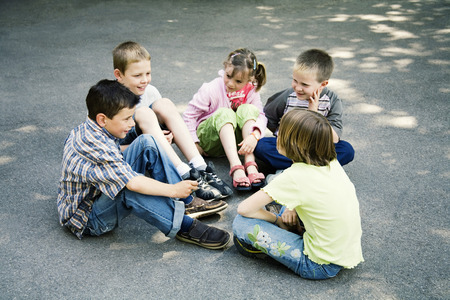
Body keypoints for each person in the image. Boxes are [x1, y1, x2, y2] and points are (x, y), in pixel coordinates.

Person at [57, 79, 230, 250]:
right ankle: (184, 226)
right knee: (129, 188)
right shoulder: (94, 145)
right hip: (88, 217)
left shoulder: (93, 127)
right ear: (103, 119)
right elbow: (133, 182)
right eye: (126, 119)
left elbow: (115, 152)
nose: (132, 124)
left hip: (97, 190)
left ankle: (186, 202)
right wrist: (173, 189)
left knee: (146, 141)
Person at [233, 109, 364, 279]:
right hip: (346, 251)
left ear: (292, 143)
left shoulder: (294, 176)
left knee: (241, 224)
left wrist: (278, 220)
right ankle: (292, 225)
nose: (276, 136)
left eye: (281, 133)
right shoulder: (331, 162)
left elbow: (244, 209)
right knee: (281, 199)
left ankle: (281, 231)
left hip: (318, 265)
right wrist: (291, 208)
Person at [112, 41, 232, 200]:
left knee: (164, 103)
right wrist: (154, 142)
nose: (144, 80)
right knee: (145, 113)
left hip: (147, 135)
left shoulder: (150, 91)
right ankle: (184, 174)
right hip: (129, 152)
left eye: (147, 73)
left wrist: (165, 137)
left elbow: (164, 128)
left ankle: (200, 167)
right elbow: (106, 150)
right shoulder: (108, 100)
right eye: (137, 76)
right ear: (119, 75)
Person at [254, 49, 355, 171]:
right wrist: (282, 132)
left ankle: (295, 169)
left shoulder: (332, 100)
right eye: (295, 81)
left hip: (315, 149)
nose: (297, 88)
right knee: (261, 146)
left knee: (347, 150)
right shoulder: (288, 96)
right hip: (288, 147)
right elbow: (267, 117)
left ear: (323, 84)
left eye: (305, 85)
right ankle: (314, 169)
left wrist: (314, 114)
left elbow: (334, 138)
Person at [183, 48, 267, 192]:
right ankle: (236, 167)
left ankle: (250, 163)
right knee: (225, 113)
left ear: (250, 80)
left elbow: (261, 116)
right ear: (225, 67)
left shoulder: (251, 90)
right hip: (210, 140)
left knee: (248, 109)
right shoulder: (211, 88)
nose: (231, 83)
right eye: (228, 76)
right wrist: (194, 143)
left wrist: (254, 136)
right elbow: (189, 116)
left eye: (238, 81)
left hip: (236, 142)